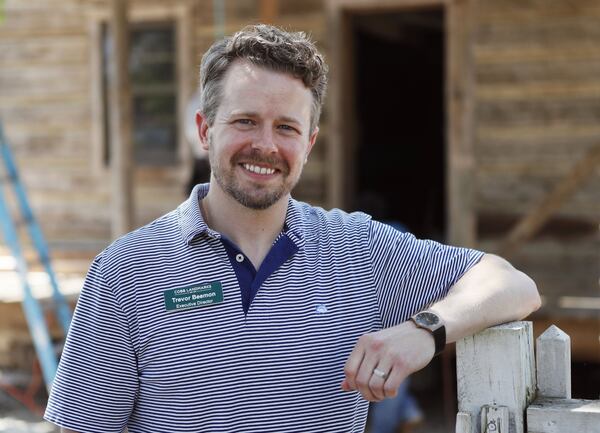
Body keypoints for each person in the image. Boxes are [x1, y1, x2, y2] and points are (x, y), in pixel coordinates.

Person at [44, 25, 540, 433]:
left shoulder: (358, 247)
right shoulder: (126, 271)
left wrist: (425, 330)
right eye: (244, 121)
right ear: (203, 130)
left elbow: (513, 284)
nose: (265, 145)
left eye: (286, 127)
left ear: (309, 143)